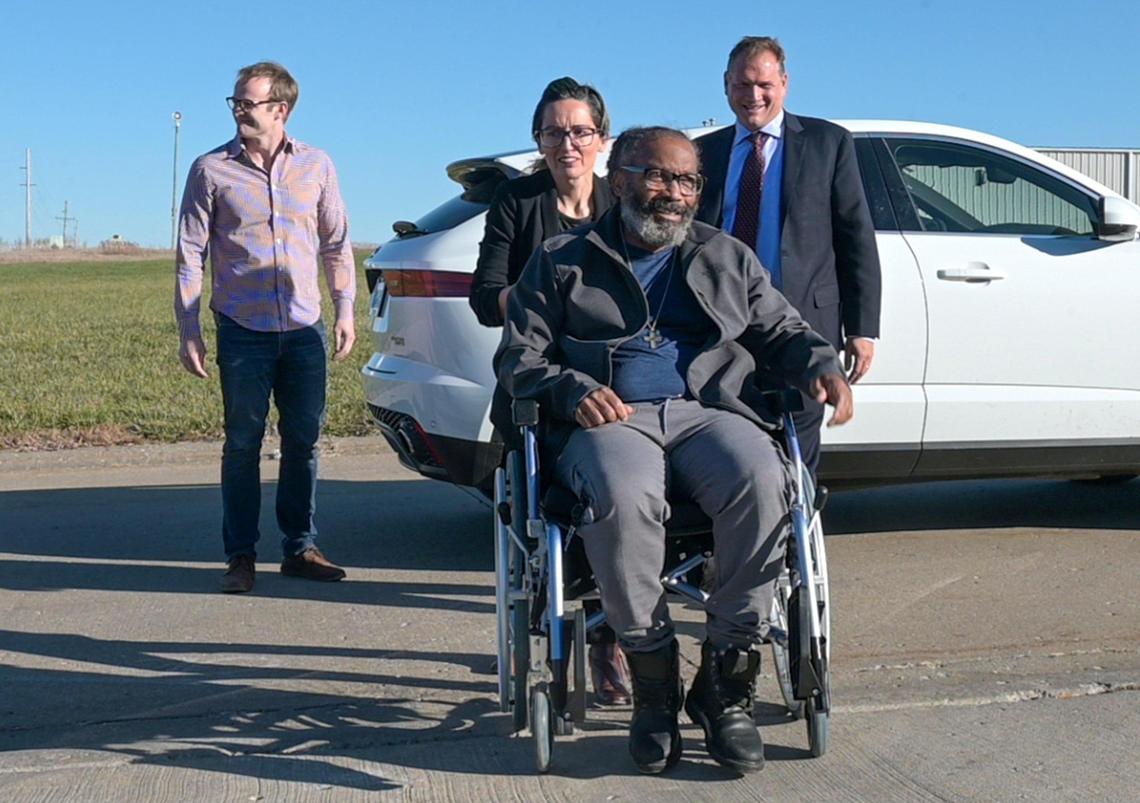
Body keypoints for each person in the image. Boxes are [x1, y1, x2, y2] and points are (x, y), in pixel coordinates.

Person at [496, 126, 852, 774]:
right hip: (611, 416)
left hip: (708, 410)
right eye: (658, 176)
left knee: (767, 480)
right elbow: (518, 357)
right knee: (623, 493)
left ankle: (724, 685)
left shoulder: (725, 255)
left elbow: (782, 327)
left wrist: (821, 364)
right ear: (621, 177)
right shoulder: (563, 257)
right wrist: (571, 387)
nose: (673, 194)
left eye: (687, 181)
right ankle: (654, 687)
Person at [469, 77, 631, 707]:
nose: (568, 143)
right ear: (538, 139)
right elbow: (487, 296)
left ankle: (611, 638)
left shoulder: (623, 202)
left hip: (611, 382)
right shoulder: (518, 201)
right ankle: (548, 634)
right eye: (553, 132)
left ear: (602, 139)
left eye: (580, 131)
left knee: (625, 497)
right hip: (535, 380)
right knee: (542, 511)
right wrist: (545, 299)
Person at [175, 61, 356, 594]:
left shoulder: (317, 166)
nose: (238, 110)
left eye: (247, 102)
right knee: (243, 442)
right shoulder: (211, 170)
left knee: (303, 442)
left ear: (281, 109)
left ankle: (300, 546)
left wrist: (345, 307)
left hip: (304, 329)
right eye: (234, 102)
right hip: (241, 330)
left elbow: (336, 241)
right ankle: (240, 556)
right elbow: (191, 253)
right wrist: (190, 327)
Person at [694, 36, 880, 476]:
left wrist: (862, 328)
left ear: (784, 83)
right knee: (730, 448)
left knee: (798, 450)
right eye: (742, 84)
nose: (752, 96)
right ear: (725, 85)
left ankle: (797, 541)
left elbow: (855, 236)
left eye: (763, 84)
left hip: (801, 327)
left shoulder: (827, 143)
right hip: (722, 324)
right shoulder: (705, 153)